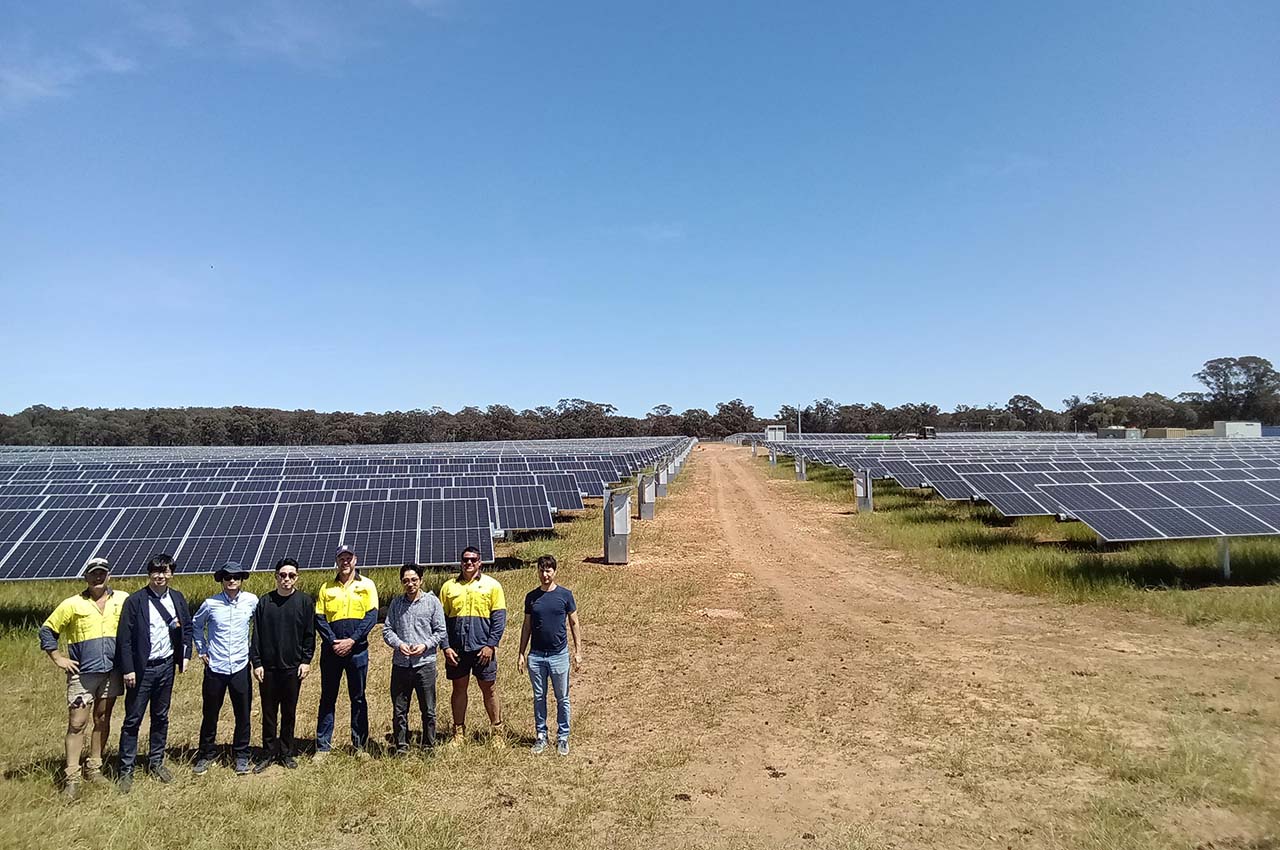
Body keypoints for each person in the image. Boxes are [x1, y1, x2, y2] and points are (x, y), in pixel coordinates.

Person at [39, 557, 129, 800]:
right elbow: (47, 630)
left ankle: (95, 766)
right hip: (82, 675)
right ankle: (72, 776)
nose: (98, 577)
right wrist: (58, 657)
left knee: (102, 718)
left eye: (102, 573)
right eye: (93, 574)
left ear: (108, 575)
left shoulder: (122, 599)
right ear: (86, 577)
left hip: (112, 671)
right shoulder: (72, 604)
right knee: (77, 723)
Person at [116, 554, 193, 793]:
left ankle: (156, 761)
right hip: (141, 670)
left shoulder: (177, 598)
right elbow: (124, 638)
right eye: (156, 571)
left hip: (166, 666)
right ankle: (125, 770)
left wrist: (186, 654)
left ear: (171, 574)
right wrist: (128, 669)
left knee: (161, 716)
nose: (160, 576)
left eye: (165, 571)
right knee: (133, 720)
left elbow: (187, 628)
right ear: (149, 574)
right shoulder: (136, 601)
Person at [192, 562, 259, 776]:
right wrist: (202, 649)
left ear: (241, 580)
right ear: (222, 580)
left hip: (240, 665)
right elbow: (195, 624)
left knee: (243, 714)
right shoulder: (210, 604)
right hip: (216, 667)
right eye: (228, 577)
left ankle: (241, 755)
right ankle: (206, 754)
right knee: (210, 713)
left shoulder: (251, 601)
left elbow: (261, 625)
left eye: (236, 577)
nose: (232, 580)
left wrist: (254, 652)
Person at [250, 558, 316, 772]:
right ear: (276, 576)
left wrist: (306, 661)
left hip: (292, 668)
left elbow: (309, 635)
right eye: (282, 575)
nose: (286, 579)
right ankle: (268, 752)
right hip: (268, 669)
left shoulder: (305, 602)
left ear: (297, 577)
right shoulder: (265, 601)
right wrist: (257, 662)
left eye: (291, 575)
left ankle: (286, 752)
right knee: (268, 712)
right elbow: (256, 635)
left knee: (289, 712)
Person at [314, 545, 379, 758]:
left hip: (357, 651)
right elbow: (320, 618)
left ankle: (360, 746)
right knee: (327, 697)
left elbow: (371, 616)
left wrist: (351, 640)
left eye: (348, 558)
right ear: (337, 561)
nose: (345, 562)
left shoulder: (367, 585)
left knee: (358, 697)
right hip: (331, 652)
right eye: (341, 558)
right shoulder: (326, 587)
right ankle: (323, 747)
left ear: (355, 560)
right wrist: (334, 641)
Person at [439, 546, 507, 746]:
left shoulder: (492, 586)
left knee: (489, 689)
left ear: (480, 563)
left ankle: (497, 732)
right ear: (461, 562)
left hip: (483, 649)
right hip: (457, 650)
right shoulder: (448, 587)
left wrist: (491, 645)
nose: (469, 563)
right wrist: (445, 646)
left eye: (473, 560)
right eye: (465, 560)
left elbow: (499, 619)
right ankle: (458, 733)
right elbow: (441, 621)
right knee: (458, 689)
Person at [517, 555, 583, 756]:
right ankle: (541, 735)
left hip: (559, 656)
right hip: (536, 656)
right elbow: (526, 626)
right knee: (539, 697)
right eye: (541, 570)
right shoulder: (531, 597)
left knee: (562, 697)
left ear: (555, 572)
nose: (545, 575)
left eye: (548, 571)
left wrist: (578, 652)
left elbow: (574, 623)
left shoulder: (565, 595)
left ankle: (563, 737)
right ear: (537, 571)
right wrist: (521, 653)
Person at [382, 563, 448, 754]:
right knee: (399, 708)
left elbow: (440, 631)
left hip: (425, 664)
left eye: (413, 580)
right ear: (402, 582)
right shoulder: (396, 603)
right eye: (406, 581)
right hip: (401, 664)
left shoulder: (432, 602)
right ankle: (401, 745)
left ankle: (428, 745)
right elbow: (387, 630)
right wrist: (398, 644)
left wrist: (425, 645)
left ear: (420, 580)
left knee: (428, 709)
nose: (410, 584)